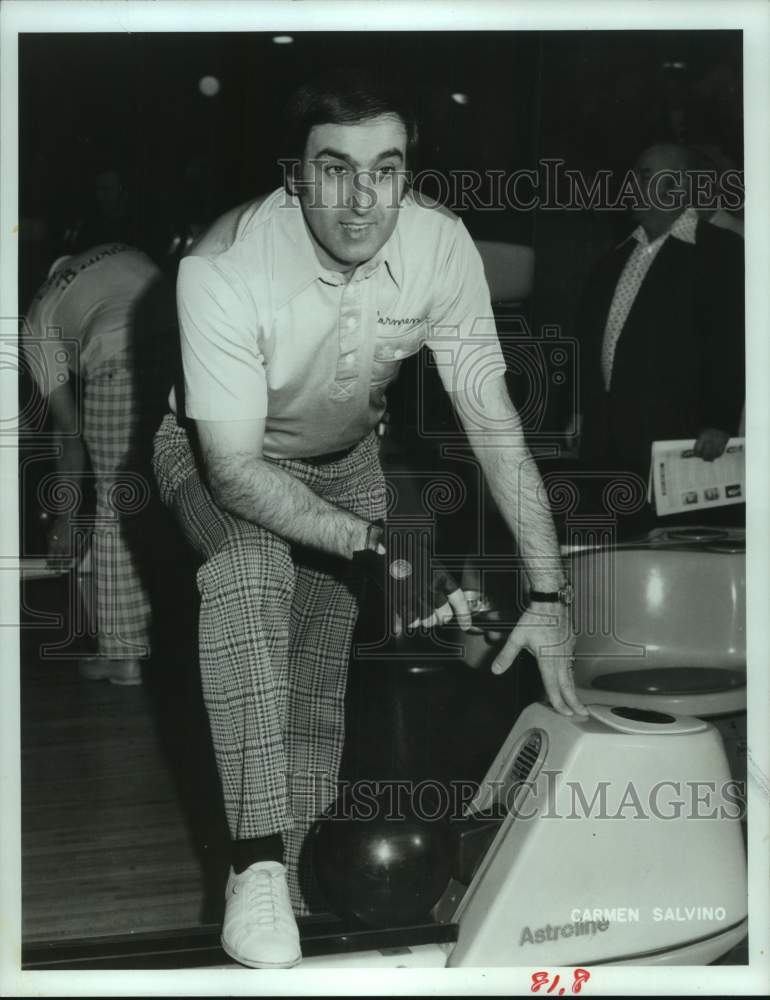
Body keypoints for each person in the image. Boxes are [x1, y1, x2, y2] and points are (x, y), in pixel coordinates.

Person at [151, 67, 585, 970]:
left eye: (385, 169)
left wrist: (548, 592)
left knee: (316, 675)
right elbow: (233, 470)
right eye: (334, 169)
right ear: (295, 174)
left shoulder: (440, 246)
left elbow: (497, 431)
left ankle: (299, 879)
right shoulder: (223, 266)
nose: (361, 199)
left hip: (347, 462)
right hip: (216, 455)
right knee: (248, 575)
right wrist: (377, 544)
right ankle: (255, 864)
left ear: (407, 173)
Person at [22, 244, 176, 684]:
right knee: (177, 494)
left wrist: (65, 518)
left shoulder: (37, 316)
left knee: (115, 505)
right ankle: (177, 640)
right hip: (187, 355)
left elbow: (68, 429)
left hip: (118, 365)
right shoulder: (120, 251)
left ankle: (123, 654)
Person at [577, 142, 744, 521]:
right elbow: (592, 342)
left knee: (678, 551)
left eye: (645, 174)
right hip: (610, 438)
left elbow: (731, 339)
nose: (631, 183)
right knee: (620, 549)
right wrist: (579, 412)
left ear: (678, 187)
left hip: (682, 440)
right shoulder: (615, 258)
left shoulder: (720, 251)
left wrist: (719, 420)